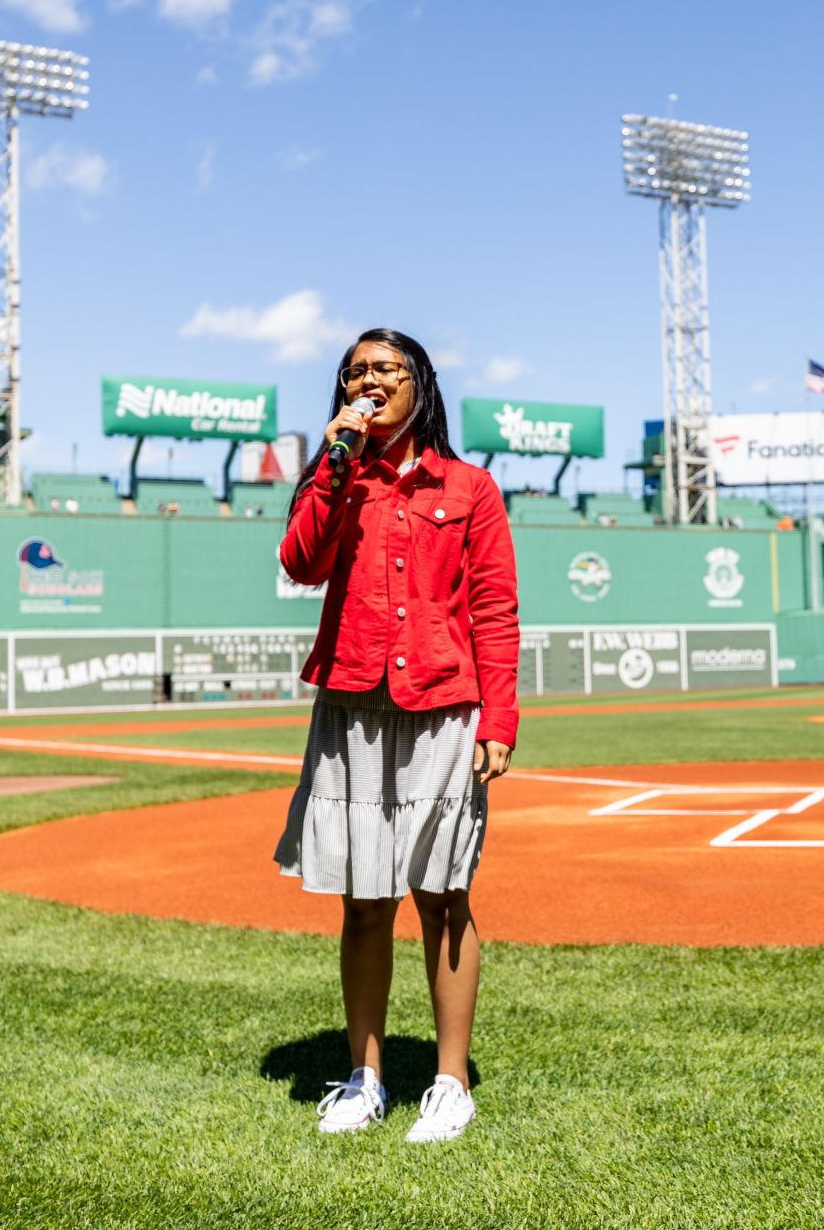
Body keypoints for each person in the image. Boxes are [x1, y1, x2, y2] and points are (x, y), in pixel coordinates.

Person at [273, 329, 518, 1144]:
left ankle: (450, 1083)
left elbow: (494, 608)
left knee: (445, 896)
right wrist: (334, 464)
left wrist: (501, 718)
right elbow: (303, 562)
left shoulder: (471, 487)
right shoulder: (335, 474)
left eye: (384, 369)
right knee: (365, 899)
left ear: (419, 385)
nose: (368, 380)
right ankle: (365, 1077)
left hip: (446, 703)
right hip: (354, 703)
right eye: (354, 372)